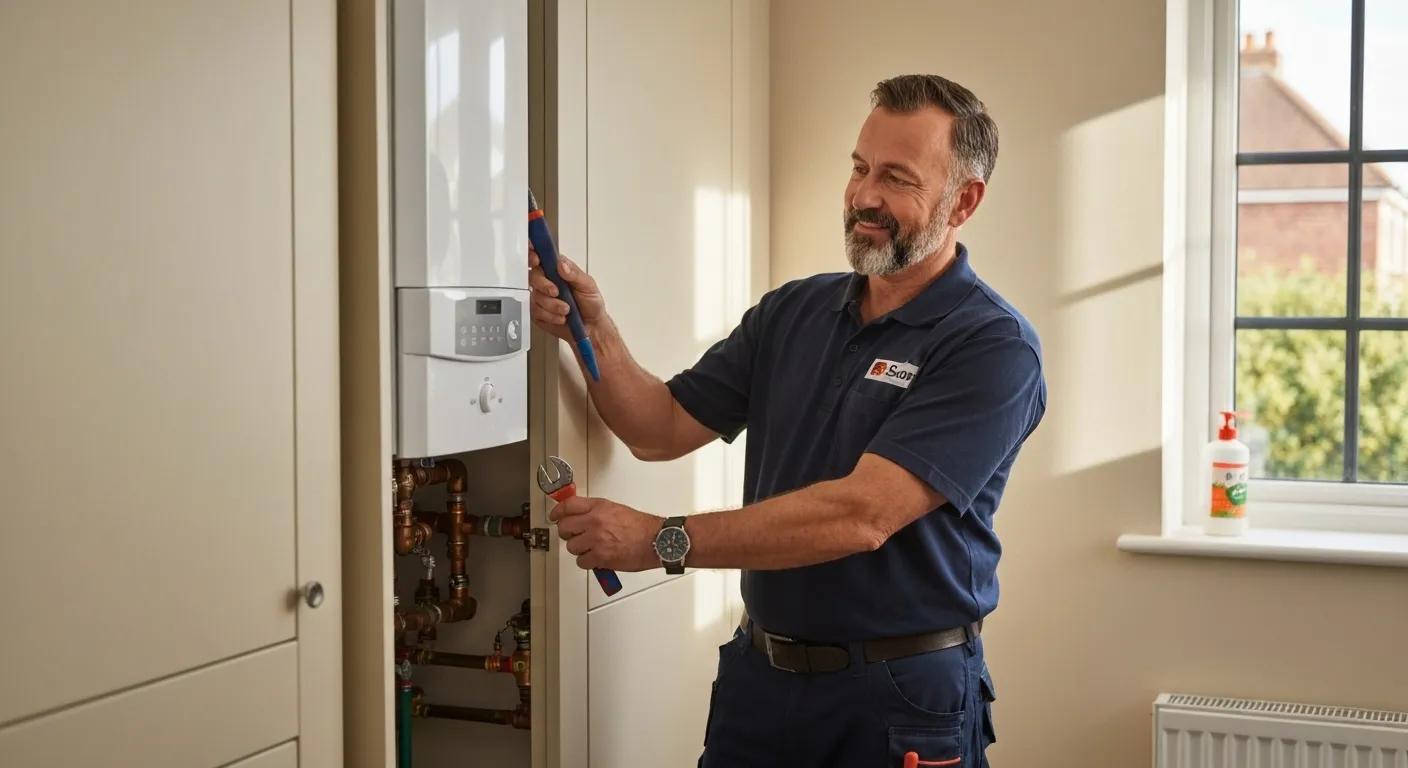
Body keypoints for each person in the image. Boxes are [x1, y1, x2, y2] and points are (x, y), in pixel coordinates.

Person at [528, 73, 1045, 768]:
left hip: (897, 697)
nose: (864, 196)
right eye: (860, 168)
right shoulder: (795, 312)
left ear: (964, 201)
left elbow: (860, 516)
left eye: (896, 178)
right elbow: (660, 426)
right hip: (760, 679)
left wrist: (661, 540)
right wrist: (593, 333)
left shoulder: (991, 345)